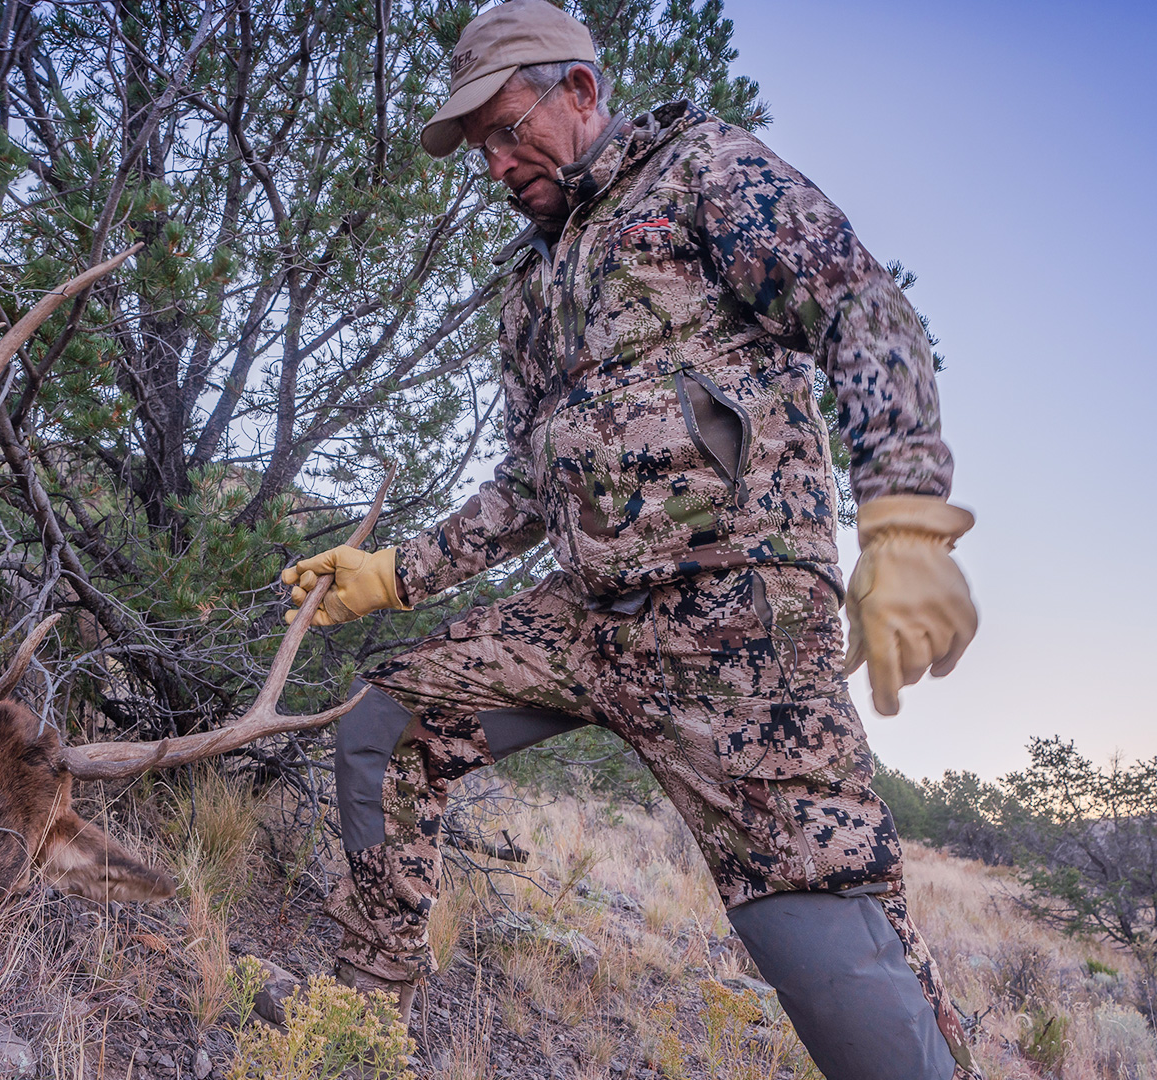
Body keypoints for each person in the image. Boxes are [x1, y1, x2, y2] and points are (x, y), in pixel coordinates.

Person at [280, 3, 980, 1077]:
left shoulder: (702, 171)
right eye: (480, 149)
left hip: (735, 624)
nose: (497, 164)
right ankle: (362, 1022)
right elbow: (528, 479)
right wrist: (394, 573)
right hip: (585, 624)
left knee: (824, 938)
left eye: (508, 130)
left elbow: (863, 311)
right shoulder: (532, 286)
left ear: (580, 91)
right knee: (383, 727)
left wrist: (907, 517)